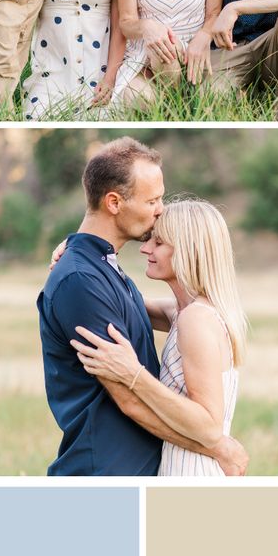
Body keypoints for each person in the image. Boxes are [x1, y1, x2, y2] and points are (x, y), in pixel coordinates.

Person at [37, 136, 248, 476]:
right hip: (107, 471)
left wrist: (81, 248)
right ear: (114, 202)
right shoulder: (84, 277)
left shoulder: (189, 311)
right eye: (153, 200)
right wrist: (217, 447)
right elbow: (129, 400)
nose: (160, 209)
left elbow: (132, 310)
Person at [71, 199, 248, 476]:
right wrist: (75, 252)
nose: (145, 248)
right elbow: (119, 301)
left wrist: (133, 374)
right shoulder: (184, 312)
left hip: (192, 472)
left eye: (159, 242)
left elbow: (209, 426)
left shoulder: (196, 320)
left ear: (189, 251)